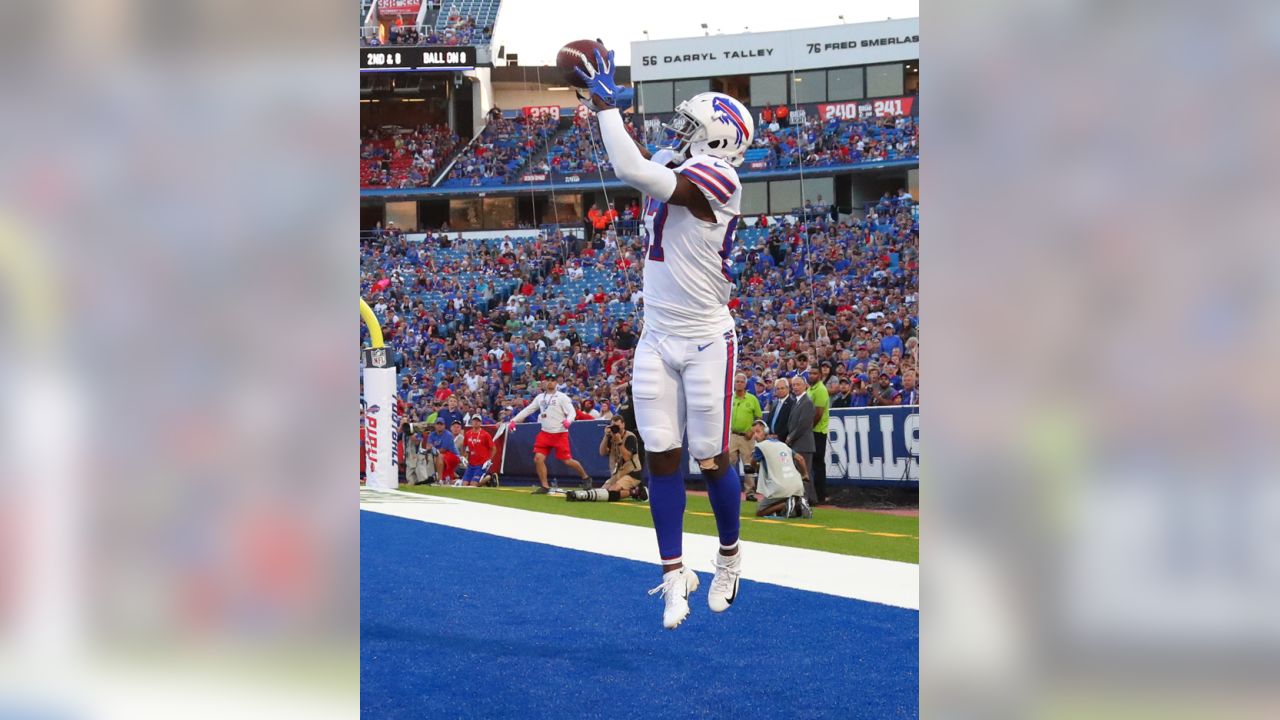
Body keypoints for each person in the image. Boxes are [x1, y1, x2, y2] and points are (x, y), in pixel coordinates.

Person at [579, 54, 755, 628]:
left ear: (718, 139)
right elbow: (637, 156)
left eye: (692, 129)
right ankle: (673, 572)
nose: (679, 136)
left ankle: (729, 558)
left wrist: (607, 107)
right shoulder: (678, 158)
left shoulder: (722, 178)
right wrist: (593, 100)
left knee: (710, 457)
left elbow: (633, 169)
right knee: (660, 456)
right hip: (657, 335)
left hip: (705, 337)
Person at [509, 374, 593, 493]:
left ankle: (585, 477)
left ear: (556, 383)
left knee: (567, 461)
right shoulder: (540, 398)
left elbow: (572, 412)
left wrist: (568, 421)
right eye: (547, 380)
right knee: (538, 458)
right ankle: (545, 486)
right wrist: (514, 420)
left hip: (559, 433)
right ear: (544, 382)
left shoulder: (562, 397)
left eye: (552, 381)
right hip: (545, 433)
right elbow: (528, 409)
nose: (550, 383)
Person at [567, 415, 648, 502]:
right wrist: (606, 436)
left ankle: (635, 491)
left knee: (612, 491)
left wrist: (619, 442)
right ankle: (630, 490)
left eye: (618, 426)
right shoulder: (611, 437)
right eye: (613, 426)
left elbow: (627, 457)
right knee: (603, 493)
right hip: (618, 474)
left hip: (632, 473)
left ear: (623, 425)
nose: (616, 429)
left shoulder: (630, 437)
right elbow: (602, 452)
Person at [743, 420, 811, 518]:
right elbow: (800, 459)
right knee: (782, 499)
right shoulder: (782, 444)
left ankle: (785, 505)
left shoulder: (760, 447)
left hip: (779, 488)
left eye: (758, 432)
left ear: (766, 431)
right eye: (753, 433)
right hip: (797, 486)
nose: (755, 436)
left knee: (760, 512)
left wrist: (753, 467)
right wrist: (805, 475)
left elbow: (753, 464)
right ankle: (797, 504)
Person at [727, 373, 762, 501]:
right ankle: (729, 489)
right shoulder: (730, 398)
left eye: (741, 381)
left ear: (745, 384)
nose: (739, 383)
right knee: (729, 463)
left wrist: (752, 431)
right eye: (737, 381)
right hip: (733, 434)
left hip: (747, 437)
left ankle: (750, 492)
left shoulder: (752, 399)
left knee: (748, 464)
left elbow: (759, 417)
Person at [785, 375, 818, 505]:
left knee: (804, 472)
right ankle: (810, 499)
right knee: (802, 472)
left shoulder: (807, 402)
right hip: (798, 442)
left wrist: (790, 437)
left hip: (803, 443)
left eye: (798, 384)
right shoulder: (798, 401)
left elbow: (803, 424)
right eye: (794, 385)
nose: (796, 387)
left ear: (805, 386)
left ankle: (805, 500)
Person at [807, 361, 831, 505]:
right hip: (813, 430)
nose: (812, 375)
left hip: (818, 431)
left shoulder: (820, 389)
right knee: (813, 463)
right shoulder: (811, 389)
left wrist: (809, 427)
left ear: (820, 376)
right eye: (810, 373)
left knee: (817, 463)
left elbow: (818, 413)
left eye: (815, 373)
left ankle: (820, 494)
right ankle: (815, 493)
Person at [460, 416, 495, 486]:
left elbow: (494, 448)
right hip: (471, 464)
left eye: (478, 421)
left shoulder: (485, 434)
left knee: (473, 484)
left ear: (480, 423)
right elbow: (463, 445)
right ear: (471, 422)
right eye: (474, 420)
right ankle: (486, 478)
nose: (476, 422)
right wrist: (463, 456)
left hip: (481, 464)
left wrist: (489, 460)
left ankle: (488, 478)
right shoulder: (468, 434)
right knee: (464, 484)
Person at [426, 419, 461, 484]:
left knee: (439, 456)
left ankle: (439, 479)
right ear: (435, 425)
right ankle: (433, 477)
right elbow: (428, 446)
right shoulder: (432, 434)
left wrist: (433, 449)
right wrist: (431, 449)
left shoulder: (448, 434)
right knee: (432, 457)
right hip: (442, 455)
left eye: (441, 424)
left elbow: (443, 449)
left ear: (444, 426)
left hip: (453, 456)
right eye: (438, 424)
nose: (439, 426)